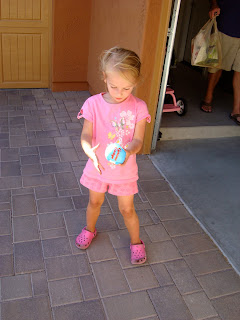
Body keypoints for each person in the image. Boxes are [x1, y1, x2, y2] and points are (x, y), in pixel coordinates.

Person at [75, 47, 151, 264]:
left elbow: (138, 141)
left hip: (124, 171)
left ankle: (136, 242)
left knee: (127, 209)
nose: (119, 93)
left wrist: (128, 151)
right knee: (94, 202)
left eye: (127, 88)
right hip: (97, 167)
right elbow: (86, 135)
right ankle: (90, 229)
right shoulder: (93, 104)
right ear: (104, 77)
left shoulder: (138, 107)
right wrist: (89, 151)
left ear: (135, 83)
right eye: (114, 86)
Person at [200, 0, 240, 125]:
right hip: (227, 25)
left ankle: (236, 110)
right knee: (217, 66)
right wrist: (214, 4)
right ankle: (208, 97)